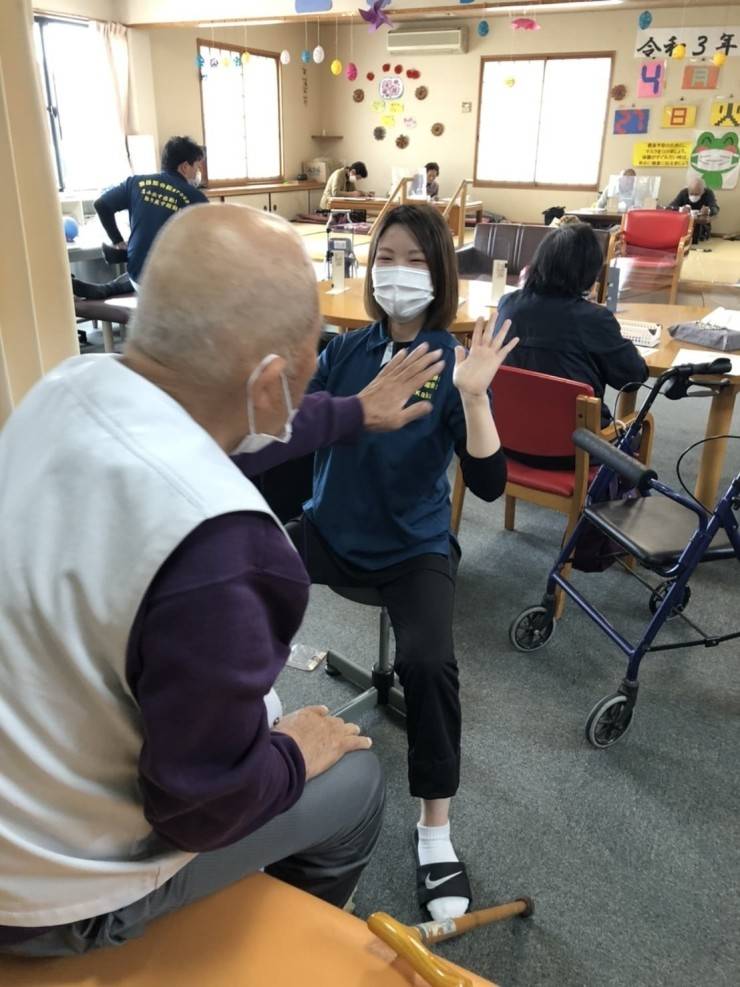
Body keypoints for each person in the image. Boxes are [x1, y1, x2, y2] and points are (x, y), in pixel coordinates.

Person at [0, 204, 448, 956]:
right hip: (47, 898)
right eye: (303, 379)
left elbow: (226, 428)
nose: (303, 394)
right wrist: (295, 752)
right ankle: (268, 948)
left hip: (27, 789)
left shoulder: (66, 387)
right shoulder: (225, 549)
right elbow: (199, 810)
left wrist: (350, 413)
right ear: (270, 382)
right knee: (354, 780)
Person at [288, 204, 516, 922]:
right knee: (239, 577)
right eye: (386, 257)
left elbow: (489, 484)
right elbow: (295, 429)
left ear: (440, 274)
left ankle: (435, 831)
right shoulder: (347, 350)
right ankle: (242, 741)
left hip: (412, 547)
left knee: (429, 664)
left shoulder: (453, 364)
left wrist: (474, 398)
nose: (398, 272)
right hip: (330, 530)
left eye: (417, 260)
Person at [495, 223, 648, 461]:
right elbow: (632, 378)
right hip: (577, 451)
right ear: (589, 274)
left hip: (506, 443)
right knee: (641, 427)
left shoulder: (508, 305)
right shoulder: (594, 319)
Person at [71, 135, 208, 300]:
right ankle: (110, 284)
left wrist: (117, 241)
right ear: (185, 167)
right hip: (172, 286)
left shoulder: (136, 182)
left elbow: (101, 205)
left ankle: (107, 287)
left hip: (137, 277)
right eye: (196, 167)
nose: (197, 173)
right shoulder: (195, 197)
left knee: (145, 266)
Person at [668, 176, 719, 243]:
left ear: (703, 191)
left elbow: (715, 209)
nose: (694, 196)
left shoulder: (708, 193)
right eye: (691, 193)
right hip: (684, 224)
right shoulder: (684, 192)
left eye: (697, 194)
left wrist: (708, 210)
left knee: (696, 233)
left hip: (702, 226)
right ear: (688, 190)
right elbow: (670, 207)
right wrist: (681, 209)